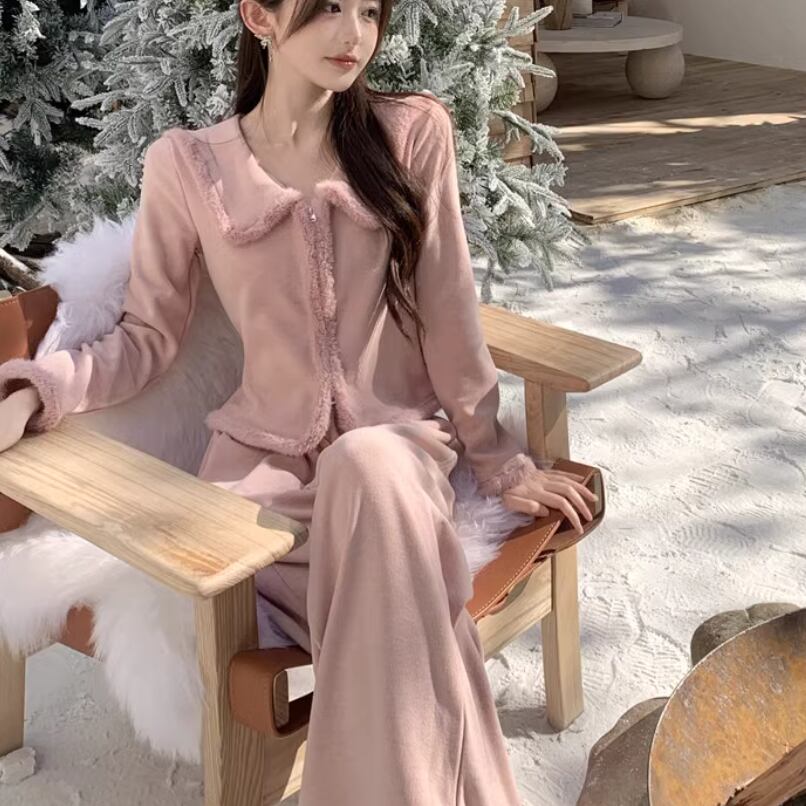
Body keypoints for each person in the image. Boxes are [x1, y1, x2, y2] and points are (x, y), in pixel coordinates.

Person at [0, 0, 598, 802]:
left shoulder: (411, 133)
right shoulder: (189, 165)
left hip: (397, 462)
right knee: (394, 611)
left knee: (368, 460)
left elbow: (450, 312)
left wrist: (500, 461)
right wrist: (34, 392)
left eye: (369, 12)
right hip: (261, 492)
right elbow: (146, 338)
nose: (354, 35)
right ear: (260, 16)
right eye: (326, 10)